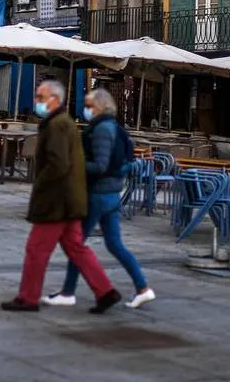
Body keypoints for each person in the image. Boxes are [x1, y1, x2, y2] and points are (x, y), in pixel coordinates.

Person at [2, 80, 122, 313]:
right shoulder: (63, 122)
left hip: (57, 201)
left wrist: (40, 188)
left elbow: (58, 165)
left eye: (40, 97)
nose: (36, 101)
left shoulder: (57, 125)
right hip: (71, 199)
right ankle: (105, 291)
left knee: (36, 249)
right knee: (77, 248)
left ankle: (28, 298)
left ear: (55, 99)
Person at [44, 88, 156, 309]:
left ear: (100, 106)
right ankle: (142, 288)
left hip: (98, 195)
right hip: (111, 195)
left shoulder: (102, 129)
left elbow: (101, 165)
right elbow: (121, 163)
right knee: (114, 245)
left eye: (89, 105)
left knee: (76, 245)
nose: (85, 109)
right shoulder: (113, 126)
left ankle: (68, 292)